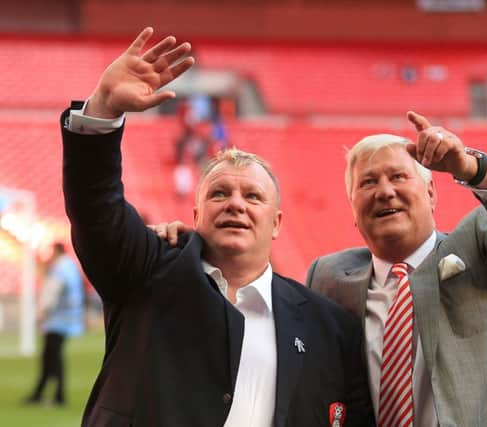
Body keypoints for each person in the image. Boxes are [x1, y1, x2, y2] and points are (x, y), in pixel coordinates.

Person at [155, 114, 487, 426]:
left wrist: (471, 167)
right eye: (368, 182)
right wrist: (198, 246)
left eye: (399, 176)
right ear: (352, 209)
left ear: (431, 193)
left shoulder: (486, 252)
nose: (384, 191)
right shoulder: (329, 278)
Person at [61, 28, 372, 427]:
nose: (236, 204)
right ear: (195, 215)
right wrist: (103, 108)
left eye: (253, 197)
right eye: (220, 193)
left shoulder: (329, 327)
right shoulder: (146, 271)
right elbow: (96, 208)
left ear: (276, 224)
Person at [24, 242, 84, 406]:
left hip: (57, 319)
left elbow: (53, 292)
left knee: (53, 357)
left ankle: (58, 396)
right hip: (66, 317)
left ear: (57, 251)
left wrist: (42, 312)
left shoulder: (60, 269)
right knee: (50, 356)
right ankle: (41, 393)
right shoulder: (70, 266)